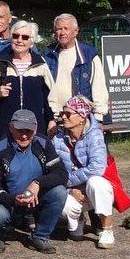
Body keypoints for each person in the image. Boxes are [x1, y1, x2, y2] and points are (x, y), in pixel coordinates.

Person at [0, 109, 68, 254]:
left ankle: (40, 236)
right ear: (11, 128)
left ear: (35, 130)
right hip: (6, 200)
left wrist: (38, 183)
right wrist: (13, 200)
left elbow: (61, 174)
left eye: (28, 131)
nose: (24, 135)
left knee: (60, 192)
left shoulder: (44, 143)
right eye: (19, 130)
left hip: (34, 198)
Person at [53, 95, 116, 249]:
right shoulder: (57, 138)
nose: (63, 117)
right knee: (58, 199)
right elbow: (53, 169)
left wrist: (74, 184)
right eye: (62, 113)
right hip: (72, 187)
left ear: (82, 117)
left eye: (68, 114)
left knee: (97, 184)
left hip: (91, 185)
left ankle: (107, 229)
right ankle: (79, 219)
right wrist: (70, 189)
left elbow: (97, 167)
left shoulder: (95, 135)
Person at [0, 20, 57, 146]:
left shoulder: (40, 65)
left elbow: (50, 96)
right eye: (16, 36)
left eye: (25, 37)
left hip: (34, 129)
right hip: (4, 129)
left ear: (31, 41)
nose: (19, 40)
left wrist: (52, 119)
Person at [43, 13, 110, 121]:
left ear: (76, 31)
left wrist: (99, 116)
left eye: (66, 29)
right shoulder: (47, 54)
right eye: (59, 29)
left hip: (81, 117)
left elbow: (99, 87)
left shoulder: (88, 54)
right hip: (55, 117)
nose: (62, 33)